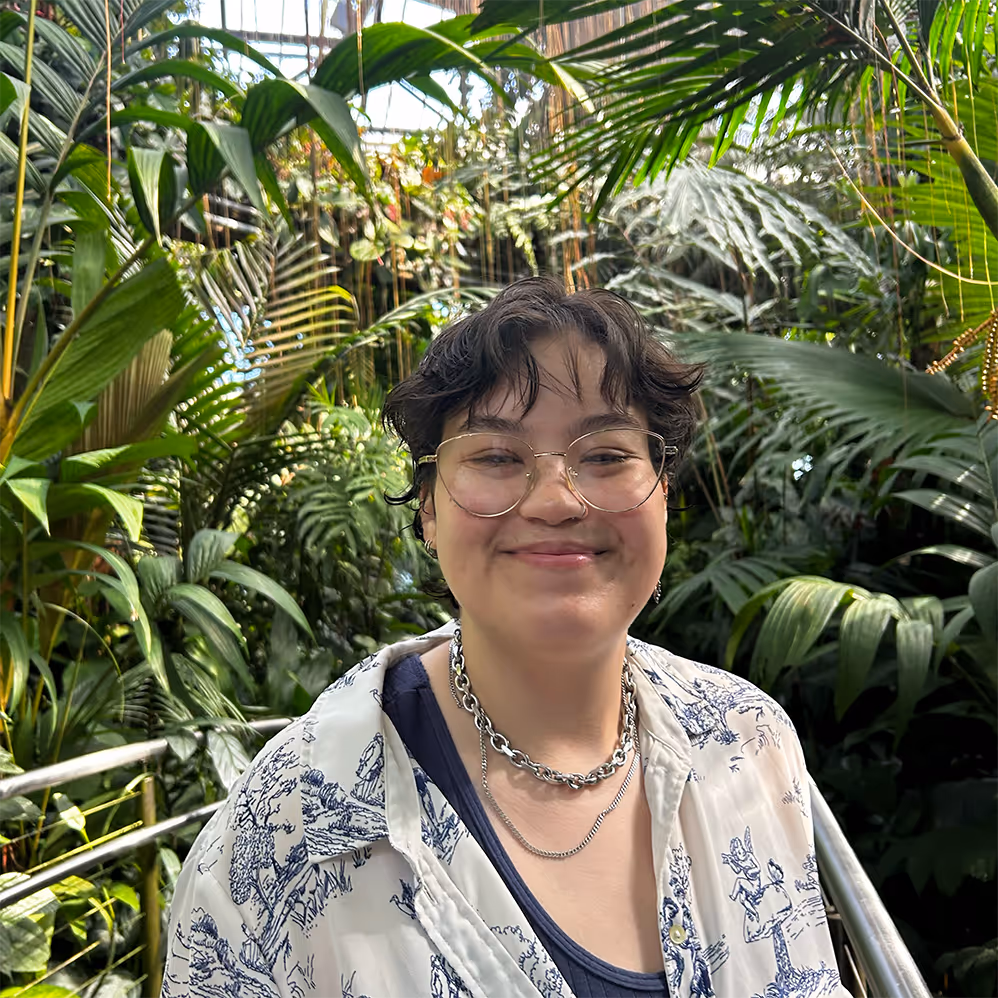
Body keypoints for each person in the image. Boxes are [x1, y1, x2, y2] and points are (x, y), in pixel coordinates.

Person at [161, 278, 850, 998]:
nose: (556, 501)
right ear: (428, 508)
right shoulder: (286, 827)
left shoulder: (747, 743)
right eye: (495, 457)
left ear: (663, 492)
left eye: (606, 455)